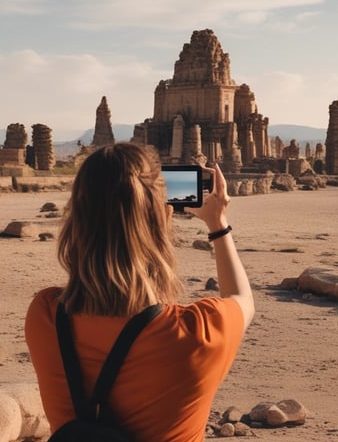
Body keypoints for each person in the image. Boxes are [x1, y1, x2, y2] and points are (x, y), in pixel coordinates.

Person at [25, 143, 254, 441]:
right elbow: (243, 301)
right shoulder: (198, 333)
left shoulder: (45, 314)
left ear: (76, 220)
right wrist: (217, 223)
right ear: (164, 219)